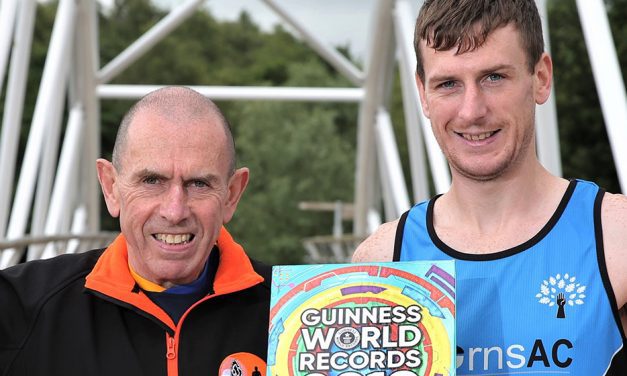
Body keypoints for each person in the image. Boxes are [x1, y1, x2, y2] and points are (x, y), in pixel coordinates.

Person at [352, 0, 627, 374]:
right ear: (422, 94)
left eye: (493, 77)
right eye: (448, 84)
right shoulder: (382, 259)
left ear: (541, 78)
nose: (471, 111)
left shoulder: (616, 237)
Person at [0, 86, 270, 375]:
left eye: (199, 184)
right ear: (110, 187)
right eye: (152, 180)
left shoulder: (299, 313)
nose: (175, 211)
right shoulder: (17, 307)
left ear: (231, 194)